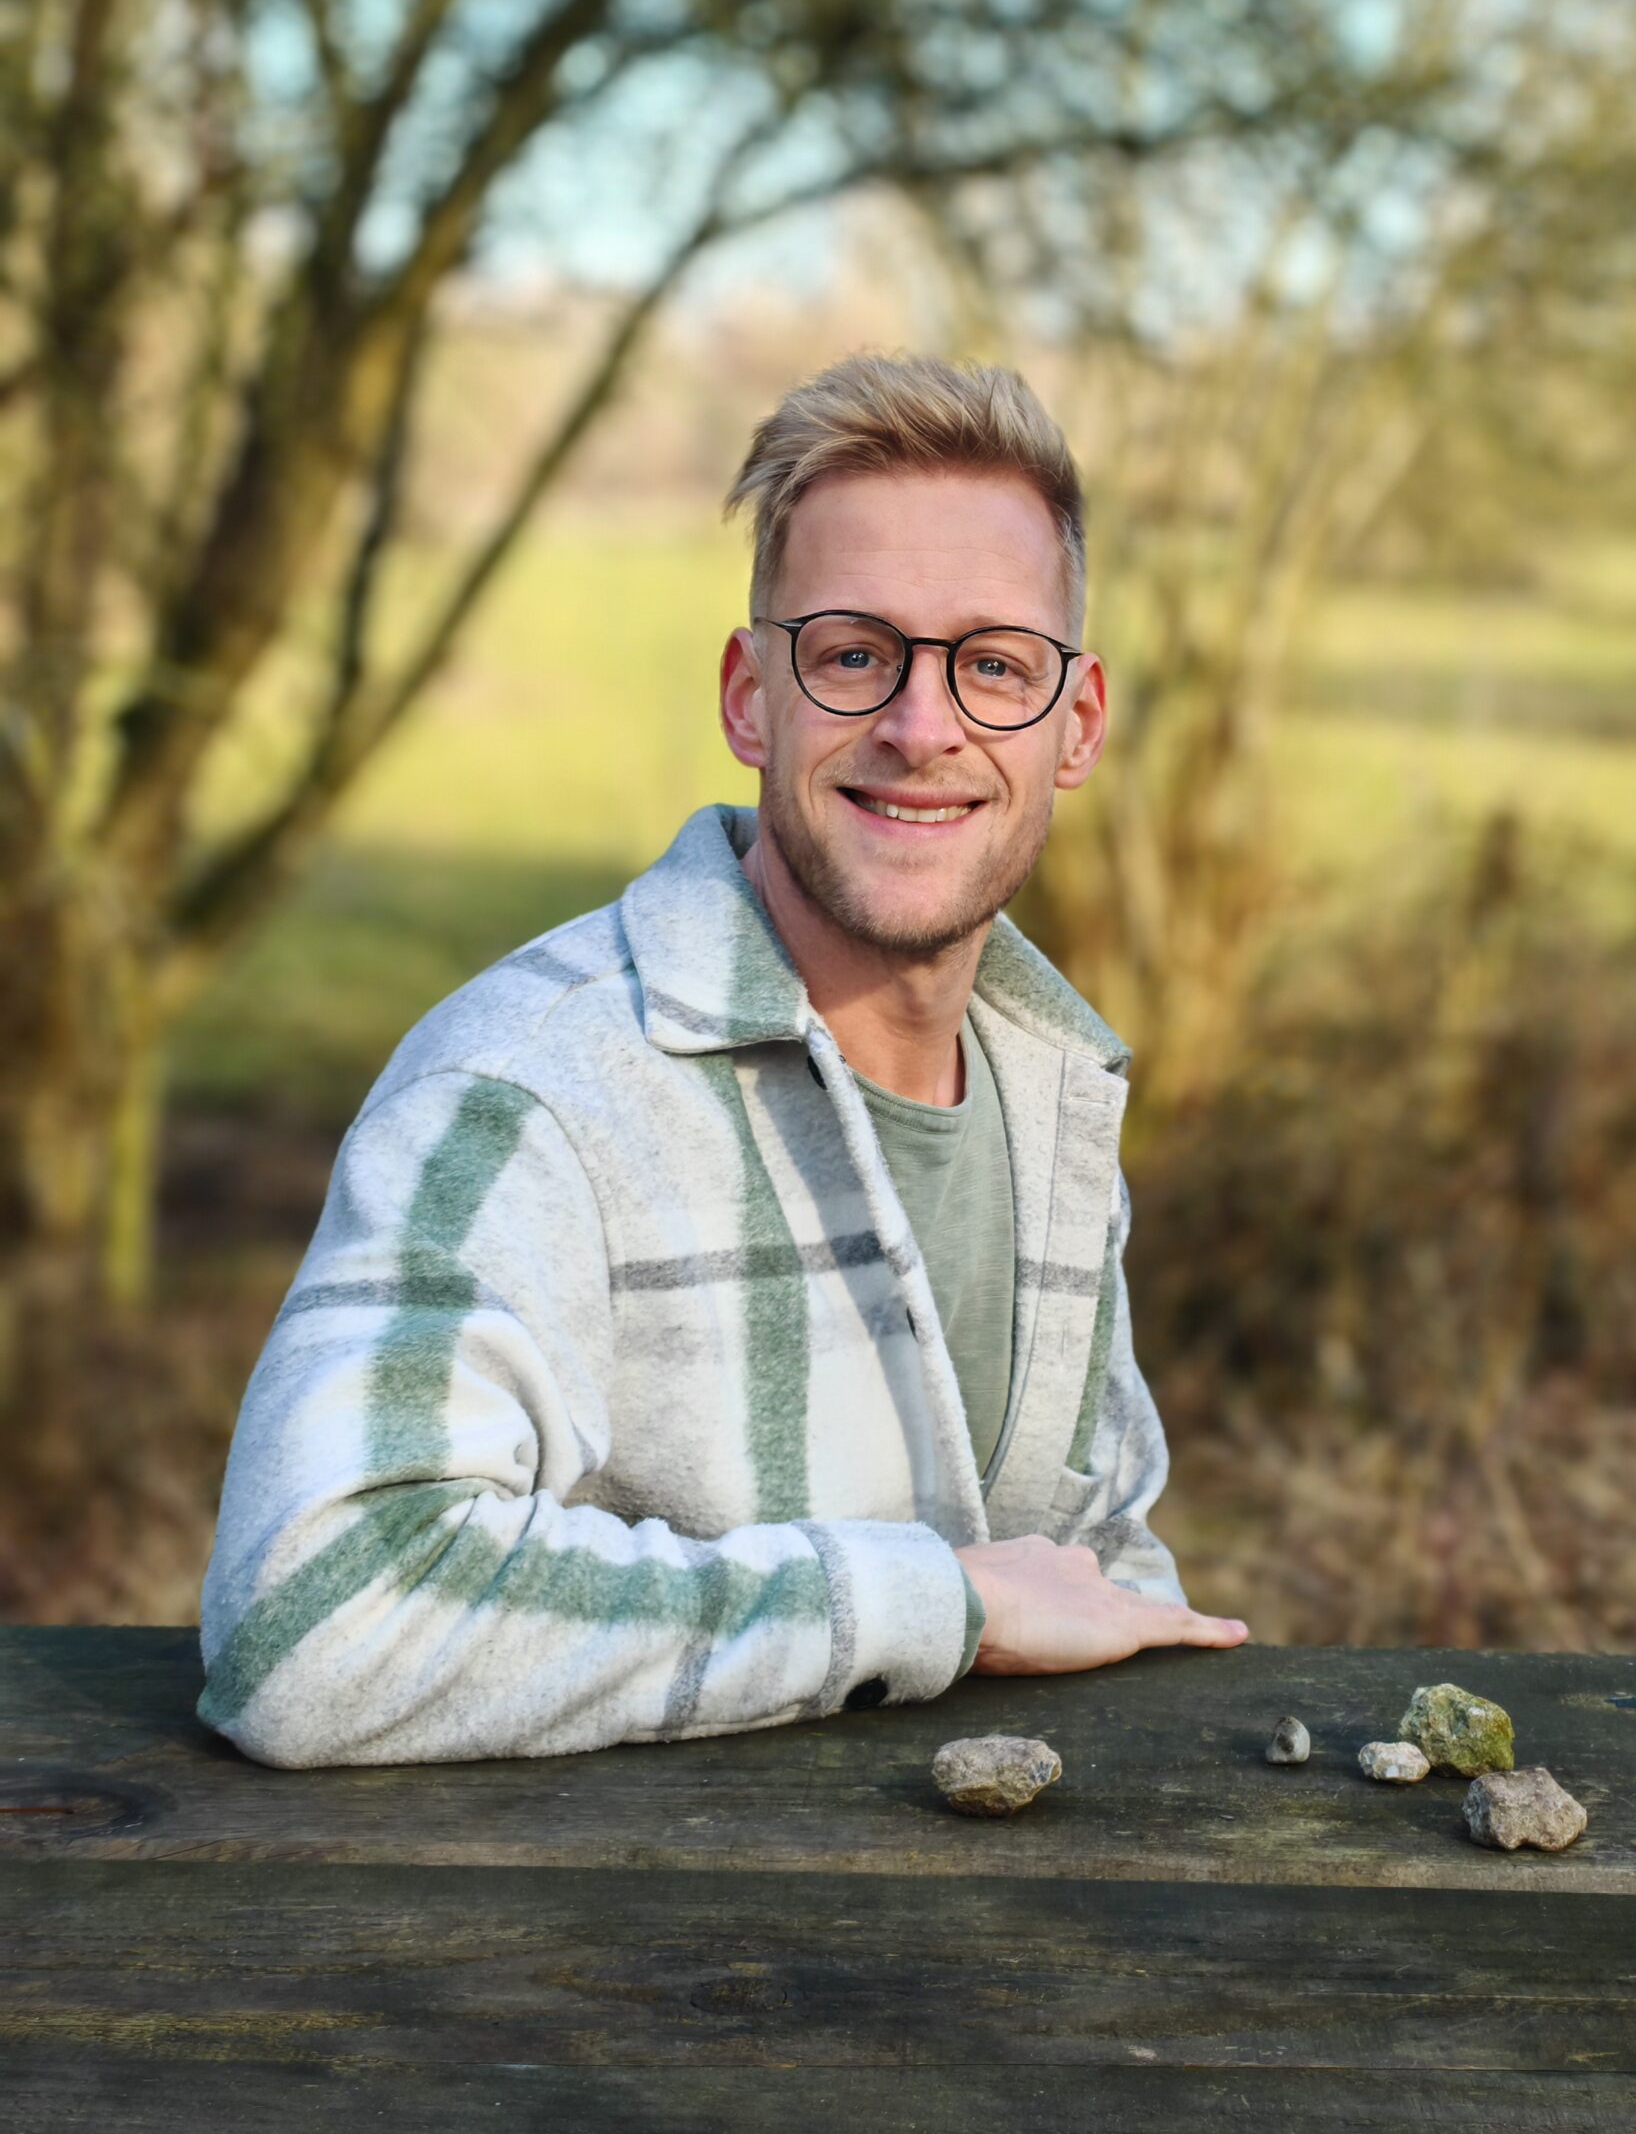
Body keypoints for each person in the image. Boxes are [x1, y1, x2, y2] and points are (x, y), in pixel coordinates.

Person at [198, 351, 1249, 1766]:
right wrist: (925, 1603)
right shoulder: (531, 1093)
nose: (923, 726)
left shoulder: (1051, 1082)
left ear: (1078, 725)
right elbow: (311, 1624)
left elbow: (1082, 1569)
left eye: (994, 664)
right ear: (753, 697)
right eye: (854, 653)